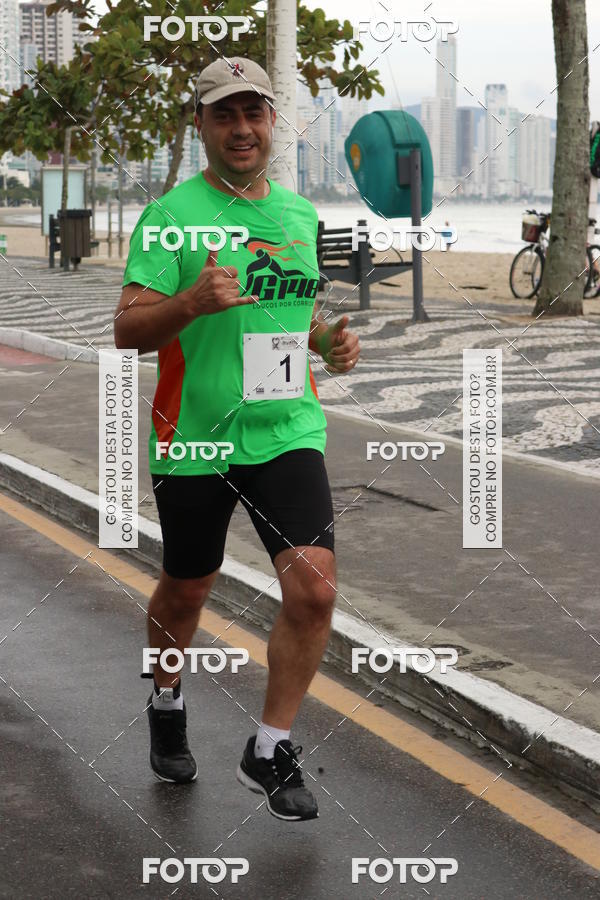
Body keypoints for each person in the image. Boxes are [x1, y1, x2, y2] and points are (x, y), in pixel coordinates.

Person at [114, 56, 360, 821]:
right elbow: (127, 330)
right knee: (188, 584)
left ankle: (268, 746)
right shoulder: (170, 218)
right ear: (201, 126)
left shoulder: (297, 217)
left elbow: (292, 311)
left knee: (314, 588)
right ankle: (165, 695)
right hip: (194, 435)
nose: (242, 128)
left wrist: (325, 342)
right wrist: (188, 301)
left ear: (272, 121)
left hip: (287, 428)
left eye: (254, 113)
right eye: (224, 115)